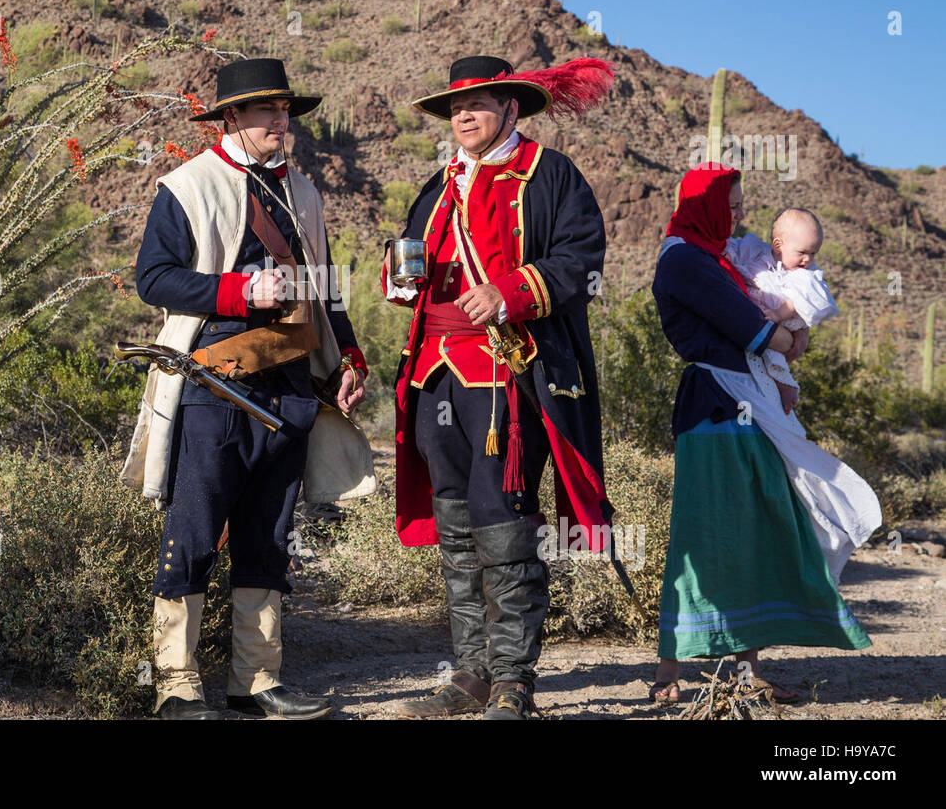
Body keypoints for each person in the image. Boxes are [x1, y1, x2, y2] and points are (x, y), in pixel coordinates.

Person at [122, 58, 368, 719]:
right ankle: (175, 685)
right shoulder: (187, 186)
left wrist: (346, 353)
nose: (278, 121)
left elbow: (323, 284)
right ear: (230, 117)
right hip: (211, 381)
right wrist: (236, 290)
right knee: (195, 533)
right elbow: (155, 279)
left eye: (284, 110)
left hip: (289, 384)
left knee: (268, 536)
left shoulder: (304, 193)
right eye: (264, 110)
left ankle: (255, 681)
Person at [385, 55, 614, 719]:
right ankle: (470, 675)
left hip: (505, 372)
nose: (463, 115)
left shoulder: (549, 176)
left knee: (503, 519)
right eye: (455, 107)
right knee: (455, 525)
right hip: (435, 372)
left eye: (478, 104)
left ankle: (514, 679)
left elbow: (580, 259)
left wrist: (512, 292)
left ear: (511, 109)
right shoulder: (437, 186)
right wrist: (397, 279)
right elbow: (410, 265)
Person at [648, 163, 874, 707]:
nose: (742, 213)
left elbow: (776, 332)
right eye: (733, 204)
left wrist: (787, 336)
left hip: (744, 403)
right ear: (707, 205)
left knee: (751, 530)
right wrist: (788, 335)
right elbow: (759, 332)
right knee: (705, 533)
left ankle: (745, 674)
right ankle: (667, 674)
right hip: (716, 407)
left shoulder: (714, 258)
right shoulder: (685, 259)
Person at [723, 207, 839, 414]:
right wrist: (729, 256)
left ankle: (785, 384)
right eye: (802, 253)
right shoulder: (755, 250)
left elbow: (797, 301)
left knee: (772, 353)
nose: (808, 260)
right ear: (778, 245)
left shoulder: (804, 275)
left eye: (814, 253)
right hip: (751, 307)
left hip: (780, 317)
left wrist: (778, 315)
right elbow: (735, 247)